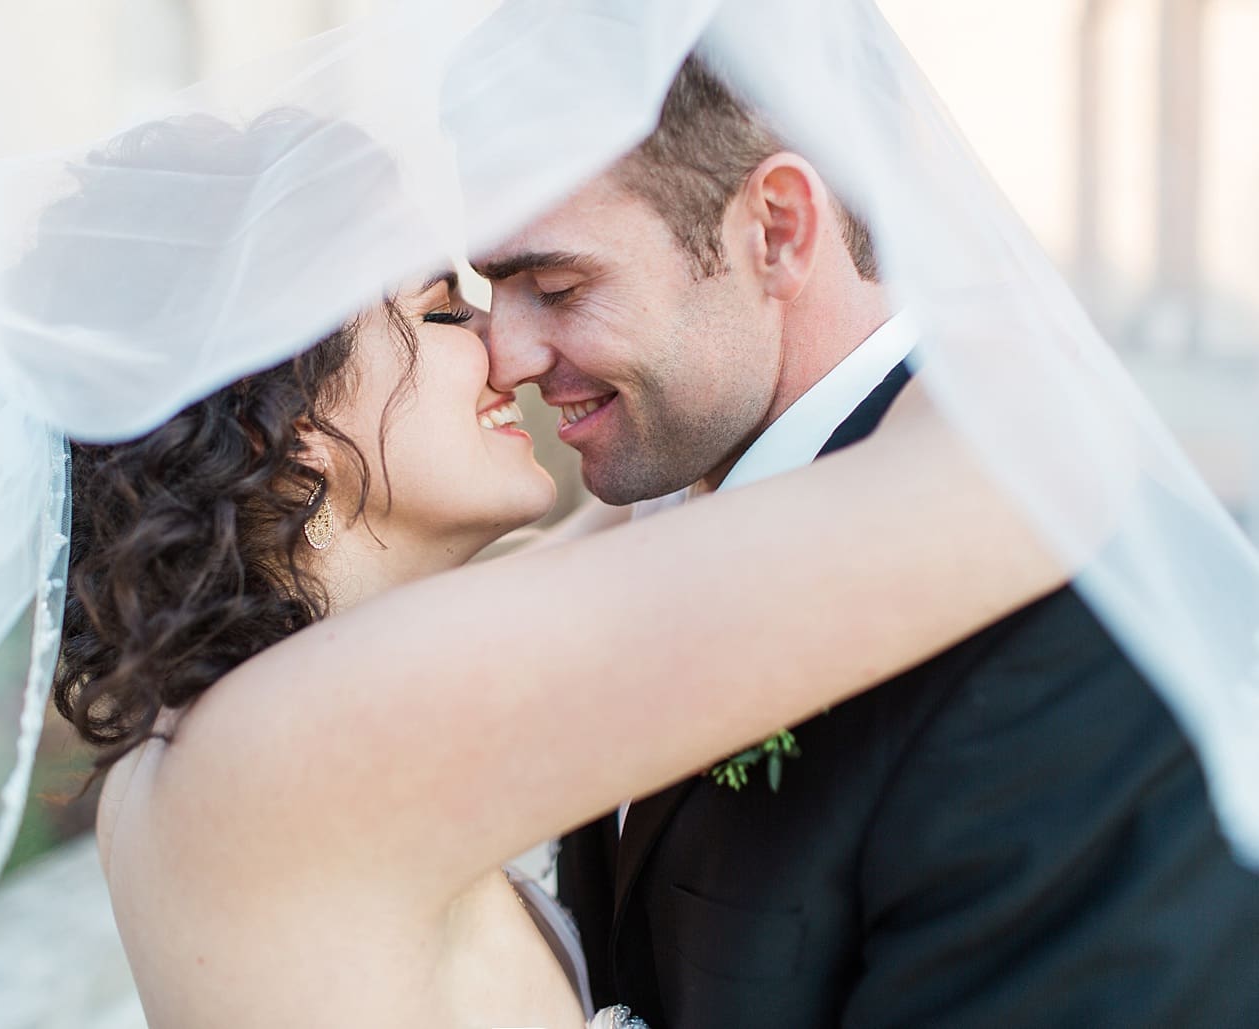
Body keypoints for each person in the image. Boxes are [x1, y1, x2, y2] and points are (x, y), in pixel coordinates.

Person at [45, 113, 1067, 1029]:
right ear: (292, 415)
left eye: (546, 289)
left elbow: (661, 518)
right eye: (445, 313)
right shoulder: (294, 748)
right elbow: (994, 484)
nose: (502, 348)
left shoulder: (272, 704)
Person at [471, 54, 1259, 1027]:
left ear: (775, 230)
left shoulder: (1059, 646)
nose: (502, 356)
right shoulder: (633, 527)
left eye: (554, 285)